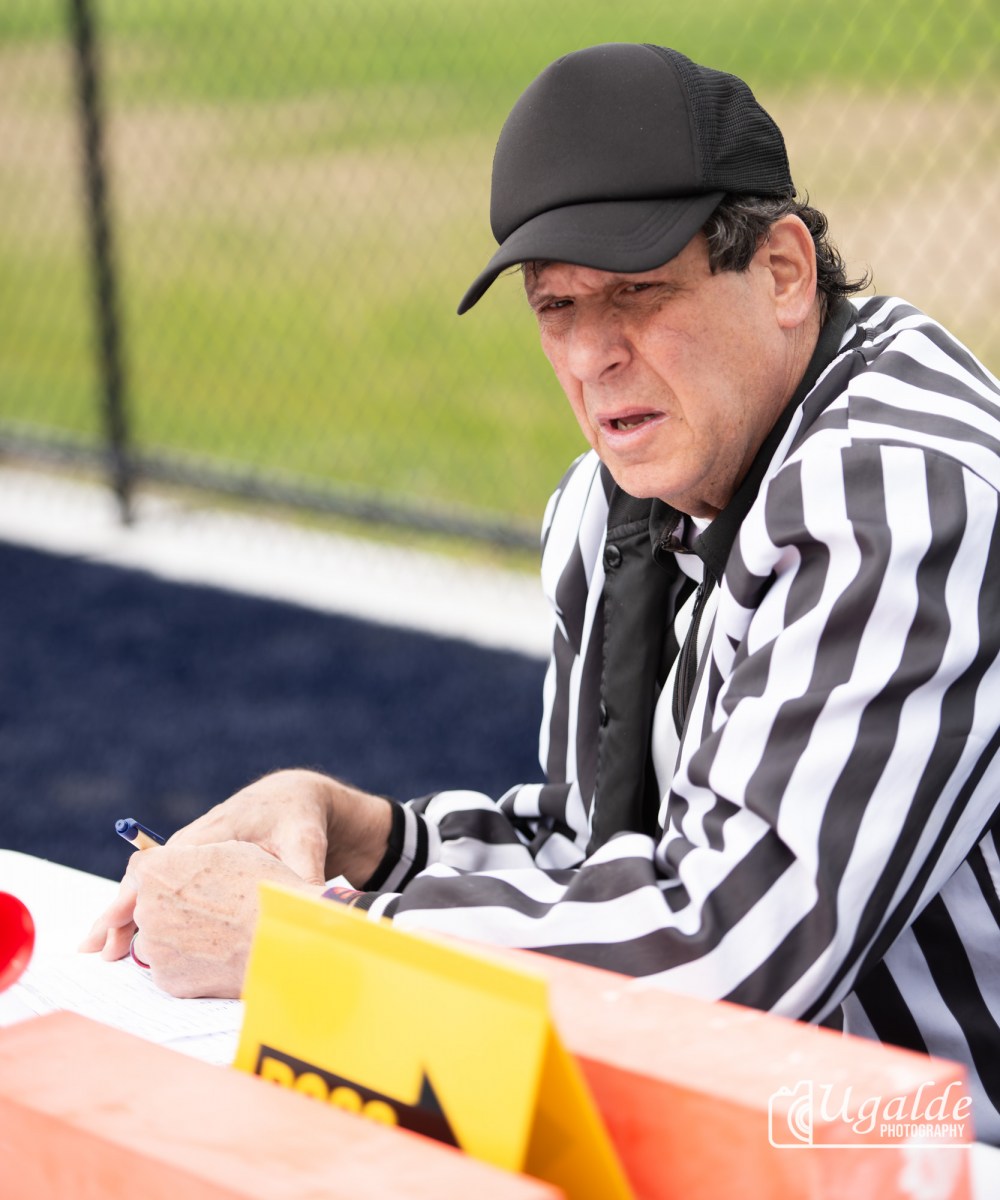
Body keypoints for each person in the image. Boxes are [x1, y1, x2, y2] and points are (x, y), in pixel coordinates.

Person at [82, 43, 1000, 1142]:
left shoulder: (904, 492)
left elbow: (731, 958)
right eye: (556, 304)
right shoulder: (613, 504)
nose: (590, 357)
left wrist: (304, 940)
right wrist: (364, 837)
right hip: (781, 1134)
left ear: (783, 273)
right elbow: (595, 860)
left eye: (638, 292)